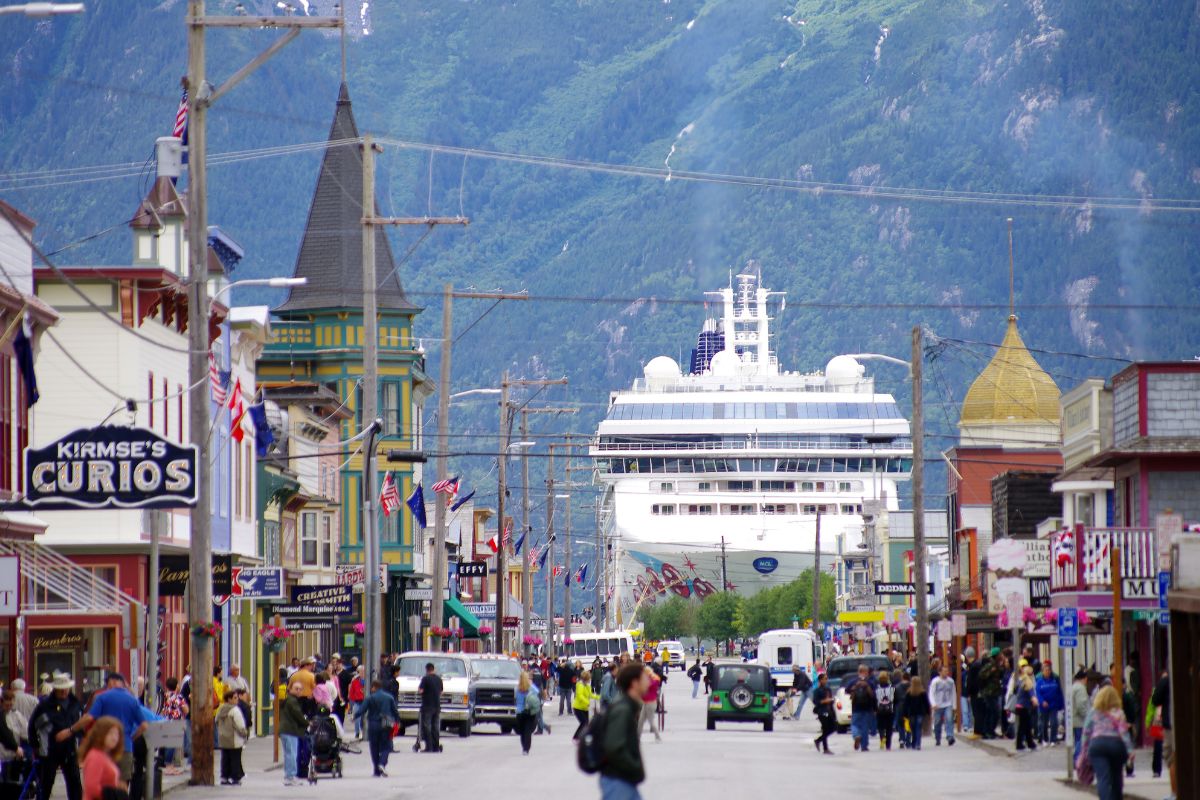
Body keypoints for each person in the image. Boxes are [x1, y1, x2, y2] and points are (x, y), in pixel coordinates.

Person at [73, 674, 147, 798]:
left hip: (105, 747)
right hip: (126, 747)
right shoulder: (132, 700)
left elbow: (90, 718)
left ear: (112, 682)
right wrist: (131, 738)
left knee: (103, 781)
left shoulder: (103, 697)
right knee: (122, 784)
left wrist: (72, 729)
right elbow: (144, 725)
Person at [30, 673, 84, 800]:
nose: (64, 691)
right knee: (46, 784)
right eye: (62, 688)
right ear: (56, 689)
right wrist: (35, 745)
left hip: (70, 749)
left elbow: (81, 725)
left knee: (74, 783)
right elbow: (33, 725)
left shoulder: (75, 704)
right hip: (49, 749)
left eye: (66, 688)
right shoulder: (44, 706)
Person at [599, 663, 648, 800]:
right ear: (635, 683)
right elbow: (614, 746)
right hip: (618, 780)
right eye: (645, 678)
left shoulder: (627, 706)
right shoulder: (622, 709)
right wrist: (634, 767)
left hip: (623, 780)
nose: (648, 682)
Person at [1081, 685, 1134, 800]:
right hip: (1116, 745)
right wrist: (1130, 750)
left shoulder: (1093, 712)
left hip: (1097, 745)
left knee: (1102, 778)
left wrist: (1084, 751)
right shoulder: (1119, 713)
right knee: (1117, 777)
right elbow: (1124, 733)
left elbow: (1086, 732)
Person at [357, 679, 397, 778]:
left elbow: (362, 709)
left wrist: (354, 716)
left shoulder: (370, 698)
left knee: (374, 747)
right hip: (386, 724)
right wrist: (397, 721)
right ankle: (382, 763)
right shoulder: (389, 697)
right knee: (386, 745)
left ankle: (376, 770)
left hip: (373, 724)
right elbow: (395, 711)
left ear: (374, 687)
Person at [78, 716, 123, 800]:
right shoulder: (95, 756)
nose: (114, 738)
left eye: (117, 734)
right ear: (101, 734)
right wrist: (114, 795)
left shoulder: (105, 755)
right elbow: (91, 787)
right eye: (110, 733)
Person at [1151, 669, 1175, 800]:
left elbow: (1155, 700)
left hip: (1170, 724)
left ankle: (1175, 792)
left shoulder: (1166, 681)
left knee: (1172, 757)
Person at [278, 681, 308, 785]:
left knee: (288, 754)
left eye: (300, 689)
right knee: (292, 754)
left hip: (285, 730)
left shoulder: (288, 700)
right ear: (290, 689)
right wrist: (307, 723)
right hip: (290, 730)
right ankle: (291, 776)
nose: (298, 691)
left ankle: (288, 776)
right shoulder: (292, 701)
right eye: (296, 688)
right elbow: (298, 715)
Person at [216, 690, 247, 786]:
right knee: (235, 759)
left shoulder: (220, 709)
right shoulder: (235, 710)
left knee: (225, 759)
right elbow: (240, 725)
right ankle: (235, 777)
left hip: (223, 738)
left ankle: (224, 777)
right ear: (229, 699)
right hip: (234, 739)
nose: (237, 699)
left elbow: (216, 721)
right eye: (235, 698)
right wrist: (244, 733)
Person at [848, 665, 877, 752]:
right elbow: (874, 695)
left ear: (859, 672)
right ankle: (864, 746)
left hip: (856, 707)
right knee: (865, 727)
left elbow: (846, 690)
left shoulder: (854, 681)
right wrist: (875, 709)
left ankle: (856, 735)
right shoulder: (870, 682)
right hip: (867, 708)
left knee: (854, 724)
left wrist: (854, 688)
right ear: (866, 672)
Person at [1034, 661, 1063, 746]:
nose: (1047, 672)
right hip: (1043, 706)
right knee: (1044, 723)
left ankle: (1053, 739)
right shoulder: (1039, 681)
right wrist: (1042, 701)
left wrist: (1060, 703)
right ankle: (1044, 739)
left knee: (1054, 722)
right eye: (1045, 670)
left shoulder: (1054, 680)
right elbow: (1038, 693)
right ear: (1042, 671)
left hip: (1053, 705)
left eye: (1048, 670)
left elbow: (1059, 692)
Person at [416, 662, 442, 754]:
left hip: (427, 706)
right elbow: (441, 692)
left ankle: (429, 747)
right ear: (433, 669)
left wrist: (421, 691)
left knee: (427, 726)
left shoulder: (425, 679)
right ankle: (436, 747)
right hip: (437, 706)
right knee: (435, 727)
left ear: (426, 670)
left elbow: (420, 690)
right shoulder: (439, 679)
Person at [929, 665, 956, 746]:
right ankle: (938, 737)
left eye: (947, 671)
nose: (946, 673)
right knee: (937, 722)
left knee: (949, 719)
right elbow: (931, 693)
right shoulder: (935, 681)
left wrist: (954, 705)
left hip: (948, 703)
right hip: (938, 704)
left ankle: (950, 736)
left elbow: (953, 693)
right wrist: (933, 703)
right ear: (940, 672)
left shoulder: (950, 681)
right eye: (944, 671)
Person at [515, 671, 541, 756]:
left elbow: (515, 699)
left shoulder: (517, 689)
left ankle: (524, 747)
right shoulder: (531, 687)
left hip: (520, 712)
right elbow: (537, 692)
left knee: (522, 731)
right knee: (528, 730)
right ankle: (527, 748)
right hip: (530, 711)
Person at [903, 675, 931, 751]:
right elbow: (926, 703)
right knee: (918, 728)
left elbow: (906, 704)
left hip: (911, 713)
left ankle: (914, 742)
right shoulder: (923, 692)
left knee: (913, 728)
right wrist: (928, 712)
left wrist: (905, 713)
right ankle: (918, 743)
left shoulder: (909, 693)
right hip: (920, 712)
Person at [1012, 666, 1037, 751]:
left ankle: (1031, 744)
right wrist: (1035, 701)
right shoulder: (1028, 681)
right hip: (1024, 707)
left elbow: (1015, 691)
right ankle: (1020, 745)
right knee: (1023, 726)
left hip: (1019, 706)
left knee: (1026, 726)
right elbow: (1031, 693)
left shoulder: (1020, 680)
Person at [812, 673, 836, 755]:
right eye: (824, 679)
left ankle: (818, 740)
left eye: (826, 679)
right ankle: (825, 748)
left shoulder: (828, 689)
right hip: (822, 711)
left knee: (833, 728)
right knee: (825, 729)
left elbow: (830, 700)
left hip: (829, 711)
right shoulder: (817, 690)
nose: (826, 680)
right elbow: (815, 702)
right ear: (820, 680)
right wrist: (824, 701)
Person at [638, 667, 661, 743]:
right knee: (641, 720)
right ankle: (637, 738)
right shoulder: (649, 679)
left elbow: (648, 686)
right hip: (645, 702)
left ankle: (657, 737)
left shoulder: (654, 679)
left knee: (651, 721)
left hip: (651, 702)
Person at [572, 670, 595, 740]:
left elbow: (591, 695)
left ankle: (583, 737)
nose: (590, 680)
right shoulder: (580, 685)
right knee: (584, 723)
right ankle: (576, 737)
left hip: (584, 708)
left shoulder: (587, 686)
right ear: (586, 679)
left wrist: (599, 697)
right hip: (578, 707)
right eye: (589, 678)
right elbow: (580, 696)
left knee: (587, 723)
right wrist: (588, 702)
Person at [875, 671, 895, 750]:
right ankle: (888, 744)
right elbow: (894, 698)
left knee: (881, 726)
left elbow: (874, 699)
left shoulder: (876, 688)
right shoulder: (892, 688)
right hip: (890, 709)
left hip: (880, 709)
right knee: (889, 727)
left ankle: (882, 737)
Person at [893, 670, 911, 748]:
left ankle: (901, 739)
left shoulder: (897, 687)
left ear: (902, 678)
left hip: (900, 706)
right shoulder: (912, 686)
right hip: (909, 706)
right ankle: (908, 740)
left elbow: (894, 698)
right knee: (908, 723)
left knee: (900, 724)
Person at [348, 666, 366, 741]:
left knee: (364, 719)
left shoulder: (368, 680)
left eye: (363, 671)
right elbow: (351, 692)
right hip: (357, 701)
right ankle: (357, 732)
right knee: (356, 718)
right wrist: (351, 702)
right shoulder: (355, 681)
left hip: (365, 702)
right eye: (360, 672)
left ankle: (364, 732)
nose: (362, 673)